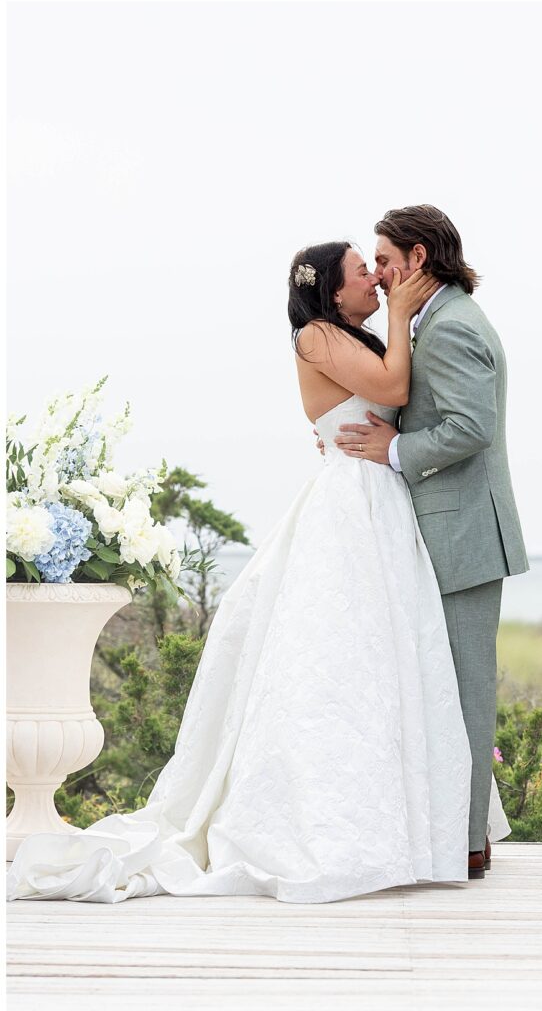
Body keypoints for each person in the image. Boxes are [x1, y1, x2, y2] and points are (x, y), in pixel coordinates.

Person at [6, 240, 508, 906]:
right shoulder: (317, 336)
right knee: (334, 657)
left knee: (389, 662)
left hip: (381, 505)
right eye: (363, 272)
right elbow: (393, 386)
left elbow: (391, 397)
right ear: (332, 290)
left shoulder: (346, 335)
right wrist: (402, 319)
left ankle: (407, 825)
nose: (376, 282)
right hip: (350, 507)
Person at [325, 206, 529, 877]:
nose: (379, 274)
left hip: (462, 535)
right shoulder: (437, 319)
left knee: (466, 691)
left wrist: (395, 449)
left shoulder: (451, 327)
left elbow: (471, 427)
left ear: (416, 258)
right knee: (442, 687)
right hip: (451, 531)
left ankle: (467, 842)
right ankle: (454, 829)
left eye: (384, 259)